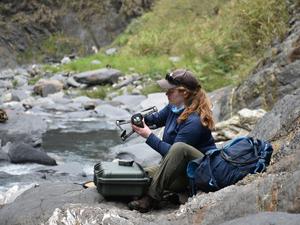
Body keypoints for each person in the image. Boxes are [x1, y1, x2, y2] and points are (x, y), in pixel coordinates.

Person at [128, 69, 216, 212]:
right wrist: (141, 119)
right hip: (176, 170)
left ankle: (151, 198)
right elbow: (156, 119)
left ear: (184, 93)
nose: (166, 93)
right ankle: (161, 191)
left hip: (196, 172)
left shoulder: (194, 121)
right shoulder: (174, 107)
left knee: (179, 148)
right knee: (140, 175)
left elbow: (173, 153)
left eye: (170, 90)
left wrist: (148, 136)